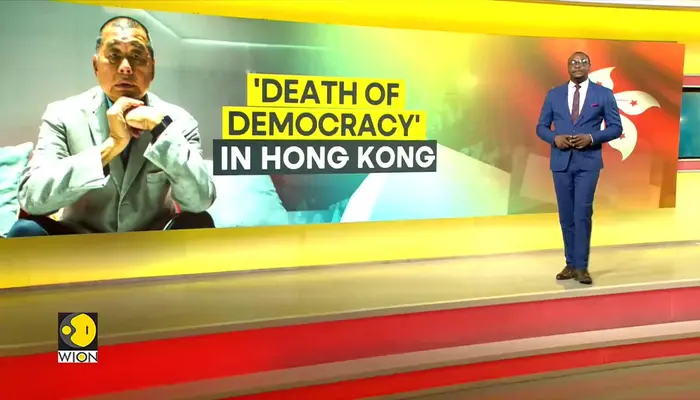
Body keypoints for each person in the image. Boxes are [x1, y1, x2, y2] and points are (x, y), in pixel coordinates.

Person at [6, 16, 216, 237]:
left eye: (136, 56)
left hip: (153, 241)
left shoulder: (178, 120)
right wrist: (111, 146)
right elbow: (32, 200)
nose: (125, 68)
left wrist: (159, 129)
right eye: (114, 56)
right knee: (24, 231)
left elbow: (200, 201)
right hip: (79, 241)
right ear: (96, 65)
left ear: (152, 67)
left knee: (199, 222)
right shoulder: (63, 115)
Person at [535, 51, 622, 285]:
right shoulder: (554, 94)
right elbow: (541, 127)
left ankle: (582, 267)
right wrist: (555, 138)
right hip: (561, 162)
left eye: (583, 62)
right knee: (566, 215)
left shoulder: (603, 94)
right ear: (568, 67)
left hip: (588, 163)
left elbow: (615, 127)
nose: (578, 65)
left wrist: (592, 138)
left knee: (582, 213)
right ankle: (570, 264)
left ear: (589, 66)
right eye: (573, 62)